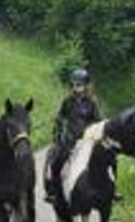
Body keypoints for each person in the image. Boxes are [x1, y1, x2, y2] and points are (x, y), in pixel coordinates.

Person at [44, 68, 103, 204]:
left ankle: (107, 191)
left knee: (104, 159)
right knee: (56, 161)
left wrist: (92, 131)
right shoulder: (67, 101)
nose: (77, 87)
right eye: (75, 84)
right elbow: (61, 115)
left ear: (86, 85)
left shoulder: (92, 102)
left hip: (87, 140)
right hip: (70, 140)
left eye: (80, 84)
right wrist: (58, 122)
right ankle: (54, 190)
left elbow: (98, 120)